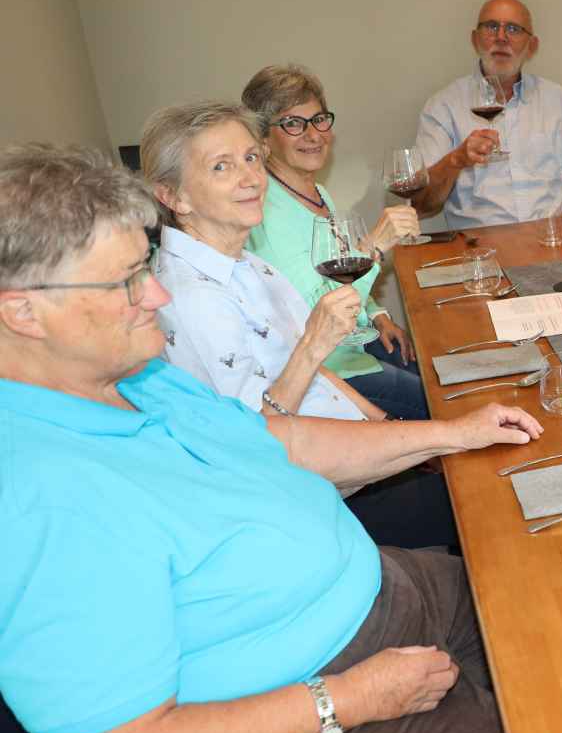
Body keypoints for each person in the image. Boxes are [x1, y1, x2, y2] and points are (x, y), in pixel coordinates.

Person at [0, 142, 541, 733]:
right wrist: (347, 699)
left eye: (147, 268)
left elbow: (281, 442)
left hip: (381, 599)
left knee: (555, 607)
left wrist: (452, 434)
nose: (158, 296)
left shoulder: (135, 376)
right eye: (127, 283)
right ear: (23, 313)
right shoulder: (34, 490)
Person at [142, 101, 451, 549]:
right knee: (479, 497)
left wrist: (387, 425)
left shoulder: (247, 263)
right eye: (222, 166)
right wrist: (313, 345)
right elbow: (255, 443)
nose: (251, 178)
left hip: (350, 456)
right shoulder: (192, 298)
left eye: (251, 158)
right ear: (173, 197)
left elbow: (319, 374)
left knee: (470, 455)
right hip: (308, 500)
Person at [242, 63, 428, 420]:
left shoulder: (317, 193)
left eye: (318, 120)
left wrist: (378, 314)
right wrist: (373, 246)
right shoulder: (264, 213)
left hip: (354, 344)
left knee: (439, 371)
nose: (313, 135)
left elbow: (338, 267)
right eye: (293, 123)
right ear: (263, 139)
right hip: (326, 373)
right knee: (437, 402)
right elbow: (314, 311)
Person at [413, 0, 562, 230]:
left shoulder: (559, 101)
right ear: (475, 39)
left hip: (554, 241)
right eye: (491, 26)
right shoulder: (443, 106)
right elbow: (422, 204)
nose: (501, 37)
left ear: (532, 46)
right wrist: (456, 160)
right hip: (478, 248)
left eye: (513, 29)